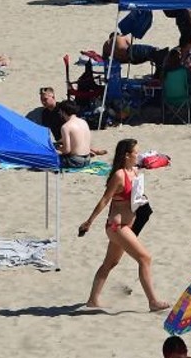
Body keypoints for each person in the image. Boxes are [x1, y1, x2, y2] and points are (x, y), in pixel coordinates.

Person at [78, 138, 170, 311]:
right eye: (135, 152)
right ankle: (153, 302)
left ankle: (92, 300)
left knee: (110, 263)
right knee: (145, 258)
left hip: (126, 226)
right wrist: (89, 221)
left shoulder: (134, 171)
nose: (138, 155)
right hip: (117, 227)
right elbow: (105, 199)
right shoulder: (119, 175)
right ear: (127, 155)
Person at [56, 101, 106, 169]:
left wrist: (58, 148)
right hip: (87, 159)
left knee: (51, 158)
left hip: (75, 161)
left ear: (63, 112)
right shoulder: (83, 122)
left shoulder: (66, 127)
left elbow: (67, 150)